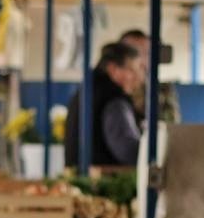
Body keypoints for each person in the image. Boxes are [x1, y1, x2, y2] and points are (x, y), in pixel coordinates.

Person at [63, 41, 146, 169]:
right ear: (112, 68)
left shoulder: (86, 91)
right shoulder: (114, 100)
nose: (139, 78)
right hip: (103, 183)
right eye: (132, 70)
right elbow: (128, 150)